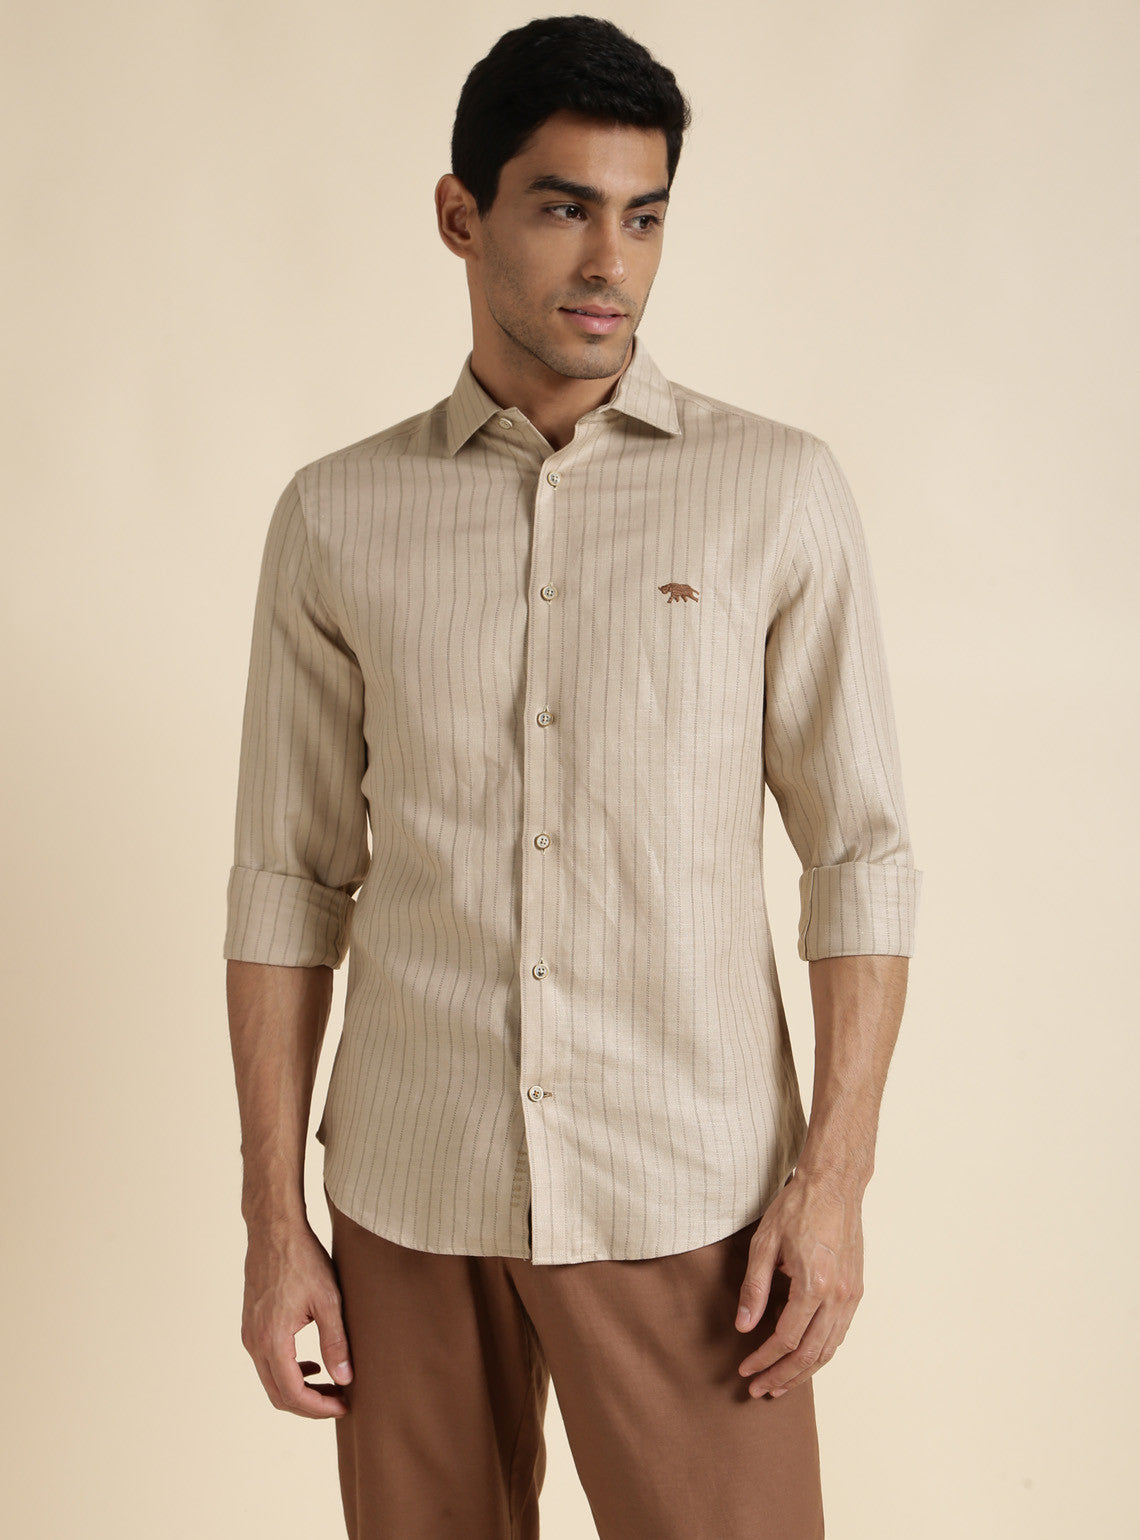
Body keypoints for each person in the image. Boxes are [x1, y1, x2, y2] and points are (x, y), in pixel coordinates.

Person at [223, 15, 923, 1539]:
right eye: (565, 208)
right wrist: (274, 1222)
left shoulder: (774, 492)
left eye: (646, 215)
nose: (613, 261)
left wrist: (836, 1183)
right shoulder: (337, 516)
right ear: (460, 215)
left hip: (685, 1193)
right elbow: (287, 881)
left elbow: (861, 858)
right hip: (411, 1190)